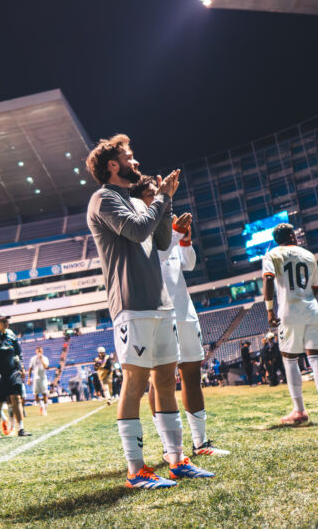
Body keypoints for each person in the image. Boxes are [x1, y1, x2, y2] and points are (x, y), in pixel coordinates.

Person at [86, 134, 212, 489]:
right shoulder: (103, 199)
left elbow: (160, 240)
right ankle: (136, 469)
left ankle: (176, 460)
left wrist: (163, 204)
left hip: (159, 304)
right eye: (130, 157)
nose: (136, 162)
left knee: (165, 382)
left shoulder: (134, 201)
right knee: (135, 382)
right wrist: (163, 198)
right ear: (114, 165)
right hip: (132, 305)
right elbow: (138, 229)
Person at [132, 177, 229, 456]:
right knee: (160, 379)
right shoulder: (139, 229)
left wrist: (185, 239)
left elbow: (188, 264)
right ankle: (168, 448)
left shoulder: (167, 225)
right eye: (153, 193)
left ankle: (201, 443)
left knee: (192, 372)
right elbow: (156, 261)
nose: (160, 196)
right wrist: (173, 233)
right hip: (159, 313)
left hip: (184, 310)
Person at [262, 223, 318, 426]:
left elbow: (268, 280)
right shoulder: (308, 255)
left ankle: (299, 411)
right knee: (316, 359)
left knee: (290, 360)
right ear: (292, 236)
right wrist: (306, 301)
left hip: (289, 310)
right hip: (311, 309)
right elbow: (316, 286)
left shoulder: (273, 254)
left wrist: (269, 309)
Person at [0, 316, 32, 438]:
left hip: (13, 373)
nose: (7, 323)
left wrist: (22, 367)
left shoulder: (12, 337)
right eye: (4, 321)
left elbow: (19, 353)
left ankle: (21, 429)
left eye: (7, 321)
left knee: (16, 399)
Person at [28, 346, 51, 415]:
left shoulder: (45, 358)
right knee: (36, 395)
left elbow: (46, 366)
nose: (39, 352)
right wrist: (29, 378)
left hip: (43, 378)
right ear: (36, 351)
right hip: (35, 378)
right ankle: (41, 405)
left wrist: (41, 359)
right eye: (38, 351)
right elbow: (30, 369)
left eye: (40, 351)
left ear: (42, 351)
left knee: (44, 393)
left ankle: (45, 410)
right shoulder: (33, 359)